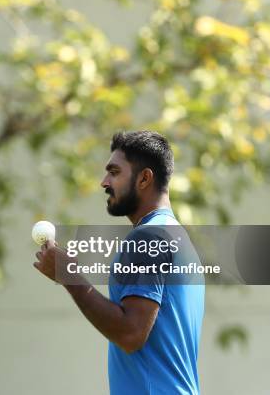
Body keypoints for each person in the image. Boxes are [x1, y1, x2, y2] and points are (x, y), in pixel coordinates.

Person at [33, 130, 205, 395]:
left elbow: (131, 333)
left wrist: (69, 276)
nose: (104, 182)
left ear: (144, 178)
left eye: (114, 172)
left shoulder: (149, 237)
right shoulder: (175, 235)